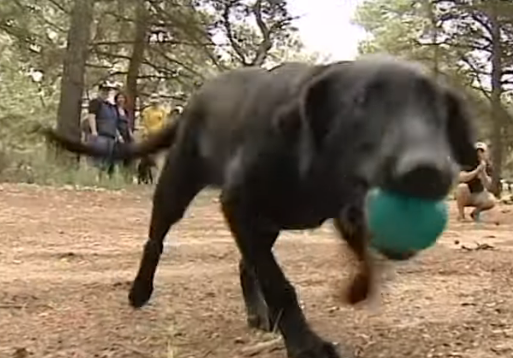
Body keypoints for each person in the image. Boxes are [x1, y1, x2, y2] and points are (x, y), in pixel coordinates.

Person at [87, 82, 121, 180]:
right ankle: (94, 179)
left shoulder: (110, 106)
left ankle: (102, 179)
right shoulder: (95, 102)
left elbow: (114, 122)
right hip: (100, 135)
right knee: (97, 159)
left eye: (107, 91)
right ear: (100, 91)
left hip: (110, 136)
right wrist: (94, 131)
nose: (105, 92)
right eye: (104, 90)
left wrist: (118, 136)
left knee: (106, 160)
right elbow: (91, 116)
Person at [455, 142, 496, 222]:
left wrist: (483, 172)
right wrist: (476, 171)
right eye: (477, 152)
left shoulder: (488, 166)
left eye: (482, 151)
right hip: (466, 194)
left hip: (478, 193)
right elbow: (462, 178)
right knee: (461, 187)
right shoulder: (467, 163)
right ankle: (461, 215)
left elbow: (488, 185)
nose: (479, 154)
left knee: (491, 200)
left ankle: (475, 213)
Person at [140, 93, 169, 176]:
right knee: (148, 157)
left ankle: (158, 176)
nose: (155, 103)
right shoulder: (147, 111)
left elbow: (164, 123)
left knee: (159, 157)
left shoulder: (162, 111)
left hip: (160, 136)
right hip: (150, 136)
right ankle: (145, 176)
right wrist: (145, 134)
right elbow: (145, 124)